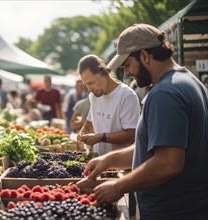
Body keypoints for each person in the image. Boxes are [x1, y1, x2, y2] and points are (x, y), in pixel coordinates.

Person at [78, 24, 208, 219]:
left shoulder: (165, 93)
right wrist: (109, 160)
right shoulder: (190, 81)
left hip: (173, 211)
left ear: (145, 56)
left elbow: (168, 162)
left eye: (128, 65)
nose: (127, 73)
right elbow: (155, 148)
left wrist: (120, 186)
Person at [77, 54, 140, 156]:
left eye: (91, 83)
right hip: (98, 163)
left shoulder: (127, 96)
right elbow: (89, 126)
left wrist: (101, 137)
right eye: (86, 84)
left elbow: (132, 135)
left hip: (120, 166)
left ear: (104, 73)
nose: (89, 89)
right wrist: (82, 134)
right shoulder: (93, 96)